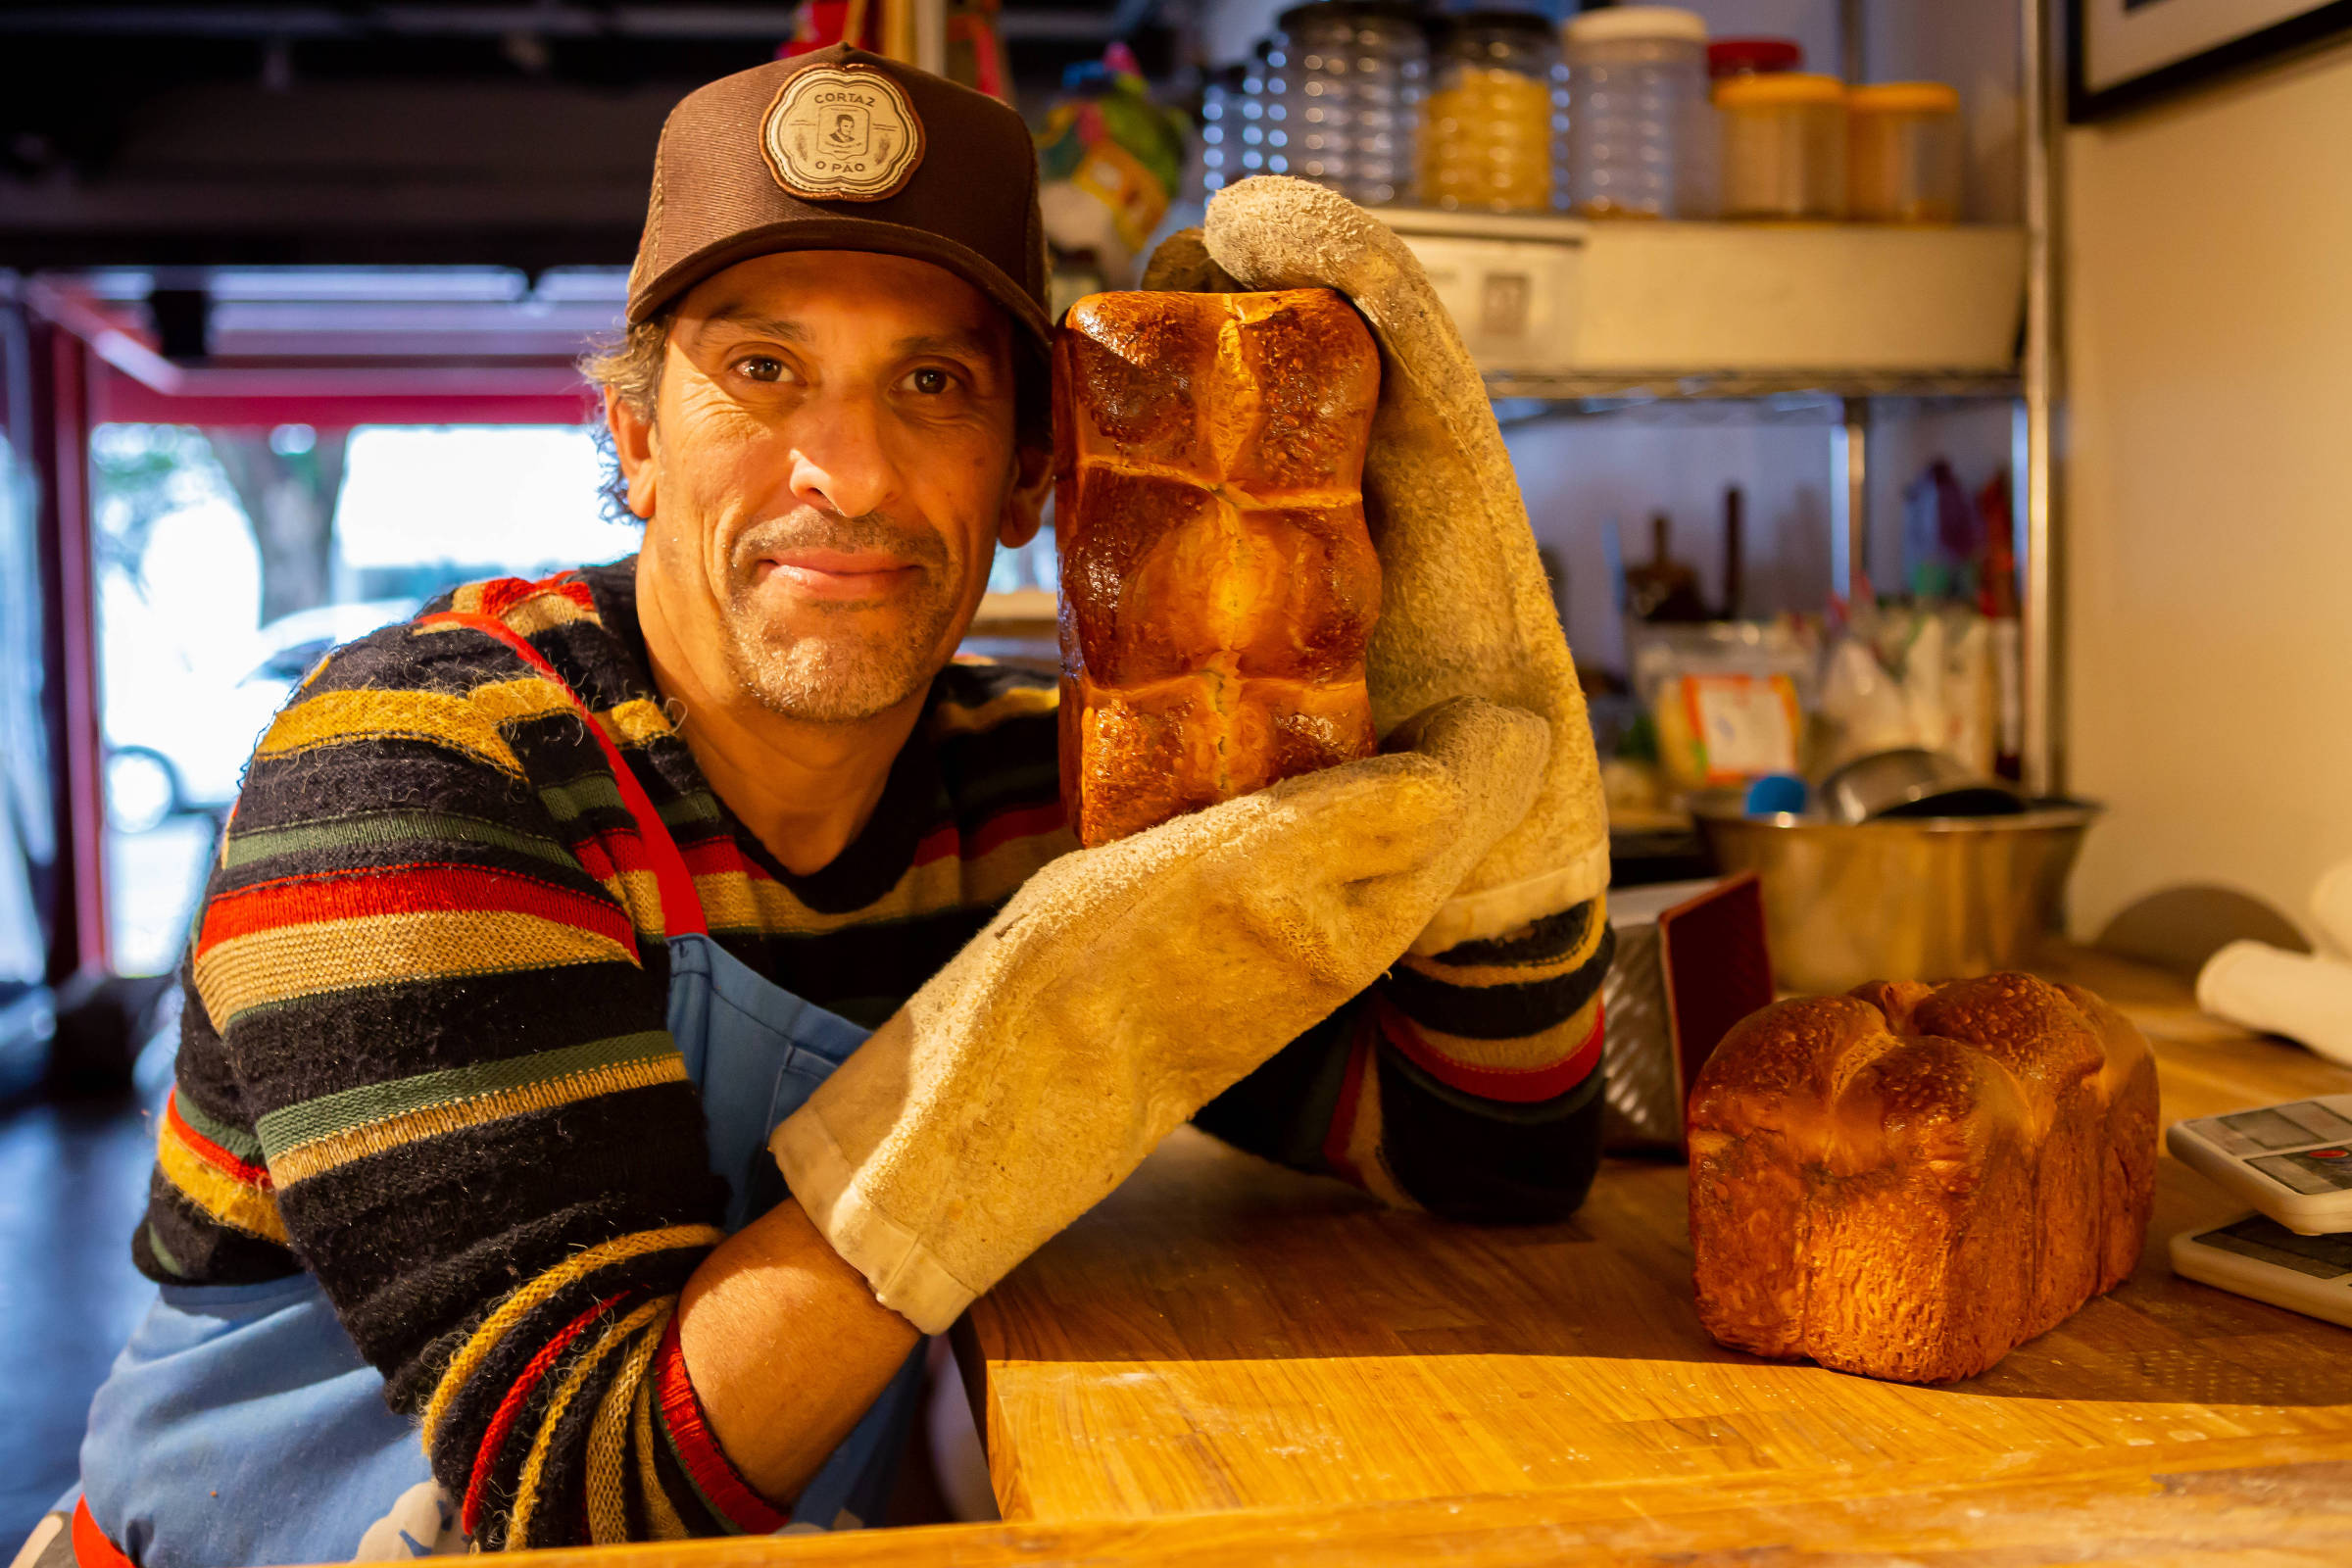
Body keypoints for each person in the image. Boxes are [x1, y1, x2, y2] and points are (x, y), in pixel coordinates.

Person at [53, 45, 1613, 1567]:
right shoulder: (418, 772)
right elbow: (577, 1495)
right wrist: (1020, 1071)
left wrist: (1501, 837)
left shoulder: (1030, 800)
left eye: (932, 382)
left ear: (1028, 477)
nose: (847, 472)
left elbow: (1482, 1163)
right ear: (640, 438)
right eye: (762, 370)